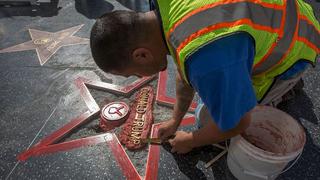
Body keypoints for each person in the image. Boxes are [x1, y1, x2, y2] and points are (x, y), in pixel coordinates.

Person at [90, 0, 319, 154]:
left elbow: (238, 122)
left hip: (295, 41)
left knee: (220, 118)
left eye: (134, 72)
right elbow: (184, 71)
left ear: (141, 54)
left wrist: (191, 140)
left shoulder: (207, 57)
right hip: (272, 14)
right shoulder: (164, 13)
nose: (140, 76)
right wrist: (175, 120)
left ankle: (286, 86)